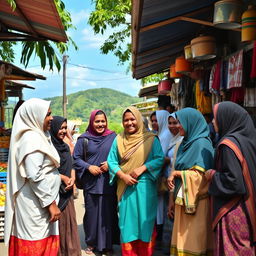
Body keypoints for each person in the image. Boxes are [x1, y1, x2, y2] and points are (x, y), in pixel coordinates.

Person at [5, 98, 61, 256]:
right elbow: (34, 175)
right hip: (35, 204)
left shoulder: (39, 135)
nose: (51, 118)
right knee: (35, 243)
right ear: (34, 115)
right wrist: (50, 203)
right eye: (47, 114)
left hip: (38, 202)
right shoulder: (32, 139)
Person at [107, 106, 165, 256]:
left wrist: (143, 168)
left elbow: (159, 159)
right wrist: (123, 176)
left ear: (138, 120)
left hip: (145, 189)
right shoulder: (118, 140)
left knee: (145, 223)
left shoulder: (151, 139)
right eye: (126, 120)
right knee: (127, 226)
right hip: (125, 189)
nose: (129, 123)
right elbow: (111, 161)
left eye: (132, 119)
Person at [206, 102, 256, 255]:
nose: (213, 122)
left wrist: (212, 175)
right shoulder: (248, 140)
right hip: (249, 206)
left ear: (226, 118)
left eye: (216, 118)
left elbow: (233, 182)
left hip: (233, 210)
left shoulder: (228, 145)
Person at [168, 107, 214, 256]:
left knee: (194, 242)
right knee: (183, 241)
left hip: (197, 204)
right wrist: (171, 199)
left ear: (191, 123)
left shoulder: (202, 144)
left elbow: (202, 177)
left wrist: (177, 173)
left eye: (180, 122)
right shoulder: (184, 143)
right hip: (182, 201)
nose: (178, 126)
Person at [73, 110, 119, 256]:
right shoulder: (83, 139)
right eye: (97, 121)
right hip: (91, 183)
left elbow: (121, 156)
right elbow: (76, 158)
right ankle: (92, 243)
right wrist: (88, 167)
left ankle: (108, 245)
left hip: (108, 183)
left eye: (103, 121)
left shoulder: (113, 137)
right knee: (92, 215)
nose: (100, 124)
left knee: (109, 214)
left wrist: (110, 164)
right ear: (91, 122)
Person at [50, 116, 81, 256]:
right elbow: (48, 171)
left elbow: (72, 165)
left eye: (64, 128)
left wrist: (73, 178)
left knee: (69, 225)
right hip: (56, 194)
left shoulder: (65, 146)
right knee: (60, 227)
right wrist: (63, 178)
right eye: (60, 128)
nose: (62, 131)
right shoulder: (49, 148)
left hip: (67, 192)